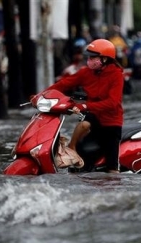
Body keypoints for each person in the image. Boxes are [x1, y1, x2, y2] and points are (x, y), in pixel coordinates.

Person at [35, 39, 124, 173]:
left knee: (112, 170)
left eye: (93, 57)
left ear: (105, 59)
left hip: (111, 122)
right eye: (89, 57)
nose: (89, 60)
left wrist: (85, 106)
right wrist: (41, 95)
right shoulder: (86, 73)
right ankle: (72, 147)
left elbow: (113, 103)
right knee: (83, 127)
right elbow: (64, 84)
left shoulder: (116, 75)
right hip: (94, 114)